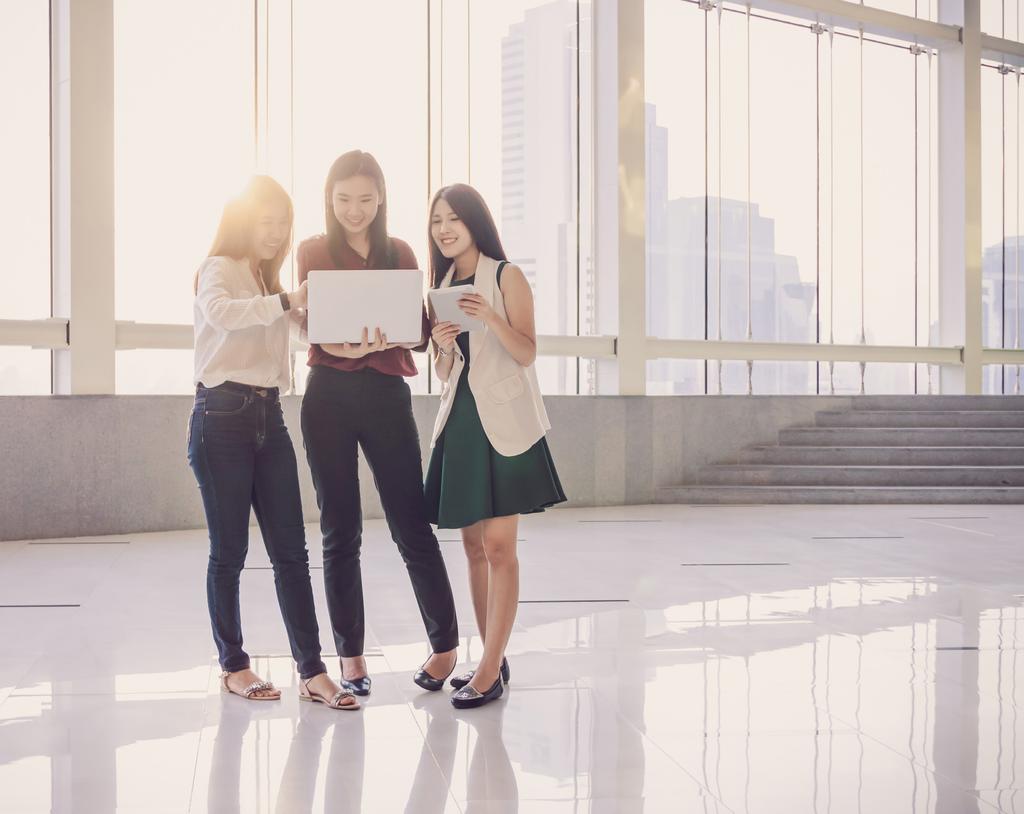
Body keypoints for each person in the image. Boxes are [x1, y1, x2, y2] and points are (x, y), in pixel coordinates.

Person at [188, 175, 357, 710]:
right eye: (267, 221)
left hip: (269, 415)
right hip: (221, 417)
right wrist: (286, 299)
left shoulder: (269, 282)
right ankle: (233, 664)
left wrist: (348, 330)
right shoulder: (219, 270)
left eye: (283, 223)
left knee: (291, 552)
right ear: (244, 221)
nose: (277, 232)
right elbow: (221, 315)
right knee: (230, 552)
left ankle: (312, 671)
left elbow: (299, 329)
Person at [298, 151, 459, 696]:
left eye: (365, 200)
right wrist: (348, 343)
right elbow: (316, 329)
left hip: (388, 390)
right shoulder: (314, 251)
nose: (354, 211)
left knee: (410, 522)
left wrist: (391, 336)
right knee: (339, 531)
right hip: (329, 396)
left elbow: (416, 330)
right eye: (343, 200)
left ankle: (445, 648)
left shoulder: (401, 251)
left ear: (382, 198)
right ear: (329, 199)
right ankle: (351, 659)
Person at [424, 183, 566, 709]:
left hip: (504, 422)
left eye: (454, 218)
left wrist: (489, 317)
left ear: (475, 222)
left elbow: (526, 352)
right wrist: (440, 348)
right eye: (437, 219)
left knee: (501, 549)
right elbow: (447, 372)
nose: (444, 228)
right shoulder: (439, 284)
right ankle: (493, 657)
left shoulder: (507, 276)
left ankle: (487, 670)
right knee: (472, 548)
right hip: (460, 420)